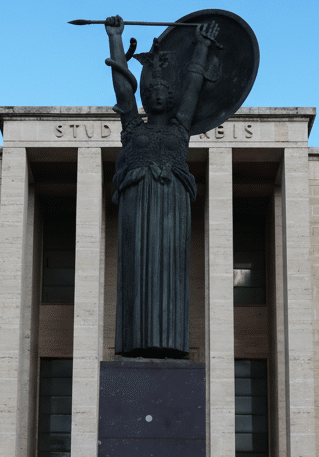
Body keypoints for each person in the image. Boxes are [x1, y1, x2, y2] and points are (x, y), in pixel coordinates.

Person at [103, 15, 219, 358]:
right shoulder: (132, 129)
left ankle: (170, 342)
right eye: (150, 91)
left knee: (170, 273)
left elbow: (194, 88)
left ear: (171, 98)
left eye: (163, 92)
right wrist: (114, 40)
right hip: (137, 203)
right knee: (136, 272)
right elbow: (123, 88)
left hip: (171, 202)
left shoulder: (179, 129)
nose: (156, 95)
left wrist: (201, 46)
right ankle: (134, 341)